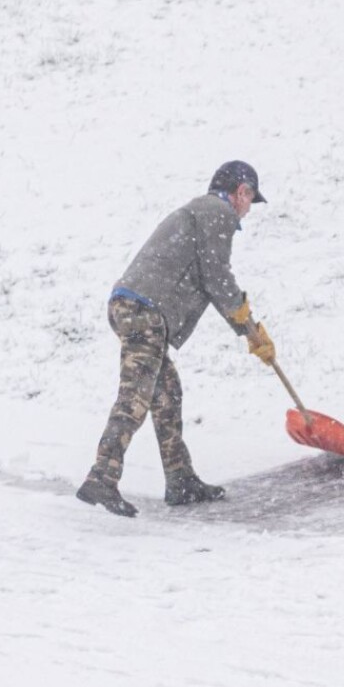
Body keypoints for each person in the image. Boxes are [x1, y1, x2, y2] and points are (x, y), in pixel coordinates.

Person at [76, 160, 276, 518]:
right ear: (240, 191)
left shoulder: (201, 211)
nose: (249, 207)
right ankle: (101, 478)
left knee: (166, 394)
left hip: (136, 305)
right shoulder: (217, 211)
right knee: (135, 397)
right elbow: (216, 276)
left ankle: (180, 479)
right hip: (144, 309)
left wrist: (247, 331)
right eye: (249, 197)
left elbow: (207, 277)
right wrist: (248, 326)